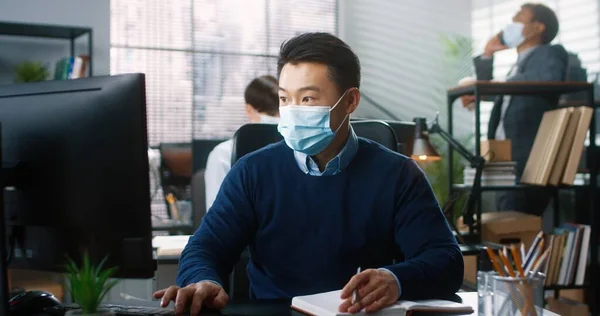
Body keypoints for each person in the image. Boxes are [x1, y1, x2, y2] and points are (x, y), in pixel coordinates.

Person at [154, 32, 463, 315]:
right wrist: (201, 278)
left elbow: (445, 260)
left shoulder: (398, 174)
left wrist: (396, 279)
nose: (293, 110)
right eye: (285, 99)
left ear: (351, 101)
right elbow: (205, 246)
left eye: (308, 99)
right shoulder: (252, 171)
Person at [462, 3, 567, 215]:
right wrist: (488, 53)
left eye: (519, 17)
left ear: (538, 27)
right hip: (505, 153)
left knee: (519, 217)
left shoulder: (549, 53)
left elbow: (548, 79)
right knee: (506, 217)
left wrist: (498, 84)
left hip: (528, 153)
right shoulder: (518, 66)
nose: (512, 24)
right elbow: (491, 91)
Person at [204, 75, 280, 210]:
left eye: (277, 112)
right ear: (249, 110)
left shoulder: (297, 147)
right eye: (268, 113)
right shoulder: (224, 154)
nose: (275, 120)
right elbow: (217, 213)